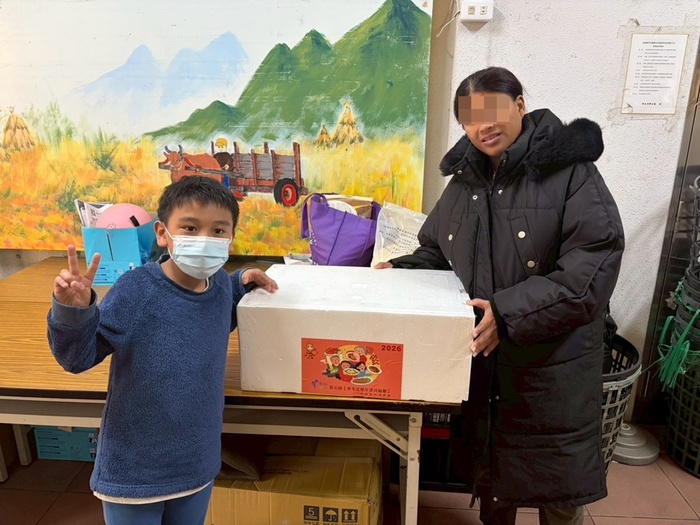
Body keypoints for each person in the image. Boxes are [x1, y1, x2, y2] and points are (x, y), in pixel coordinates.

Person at [376, 67, 624, 525]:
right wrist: (401, 269)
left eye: (493, 110)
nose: (483, 126)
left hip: (553, 367)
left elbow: (591, 268)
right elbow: (438, 250)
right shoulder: (465, 180)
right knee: (493, 483)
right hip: (488, 368)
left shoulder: (570, 173)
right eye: (470, 118)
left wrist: (507, 315)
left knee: (558, 492)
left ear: (520, 106)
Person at [47, 176, 278, 525]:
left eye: (218, 231)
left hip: (197, 466)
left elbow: (214, 312)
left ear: (231, 238)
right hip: (135, 473)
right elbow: (76, 358)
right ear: (162, 233)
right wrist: (72, 312)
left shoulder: (218, 285)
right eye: (190, 227)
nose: (204, 239)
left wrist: (242, 279)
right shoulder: (136, 291)